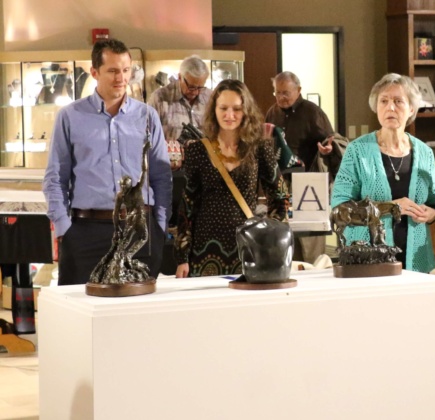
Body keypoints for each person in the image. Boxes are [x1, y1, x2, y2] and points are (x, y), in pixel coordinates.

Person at [43, 38, 172, 286]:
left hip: (140, 231)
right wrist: (64, 229)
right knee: (81, 305)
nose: (121, 78)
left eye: (126, 70)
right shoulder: (70, 116)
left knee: (140, 306)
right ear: (94, 72)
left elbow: (161, 177)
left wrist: (159, 225)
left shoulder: (147, 116)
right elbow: (55, 178)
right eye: (112, 71)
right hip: (85, 232)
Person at [174, 79, 289, 277]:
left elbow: (280, 199)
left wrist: (270, 242)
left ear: (246, 111)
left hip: (248, 248)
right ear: (214, 110)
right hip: (204, 250)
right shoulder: (197, 150)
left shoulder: (259, 148)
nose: (229, 115)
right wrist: (182, 257)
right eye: (223, 108)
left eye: (236, 109)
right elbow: (188, 207)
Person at [331, 73, 435, 273]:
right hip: (369, 257)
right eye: (384, 101)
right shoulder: (357, 151)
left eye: (398, 101)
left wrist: (430, 213)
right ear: (376, 107)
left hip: (415, 257)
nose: (390, 107)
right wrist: (390, 207)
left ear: (411, 108)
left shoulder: (425, 152)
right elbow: (340, 209)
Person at [265, 71, 336, 264]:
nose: (281, 97)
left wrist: (327, 149)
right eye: (277, 92)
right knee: (286, 243)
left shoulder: (312, 112)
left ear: (298, 90)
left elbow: (331, 141)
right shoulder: (272, 112)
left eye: (286, 93)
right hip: (282, 184)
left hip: (309, 185)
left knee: (310, 244)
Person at [148, 55, 211, 170]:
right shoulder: (159, 98)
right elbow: (147, 137)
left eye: (200, 88)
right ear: (180, 77)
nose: (195, 92)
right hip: (171, 169)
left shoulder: (210, 98)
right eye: (191, 87)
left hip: (205, 169)